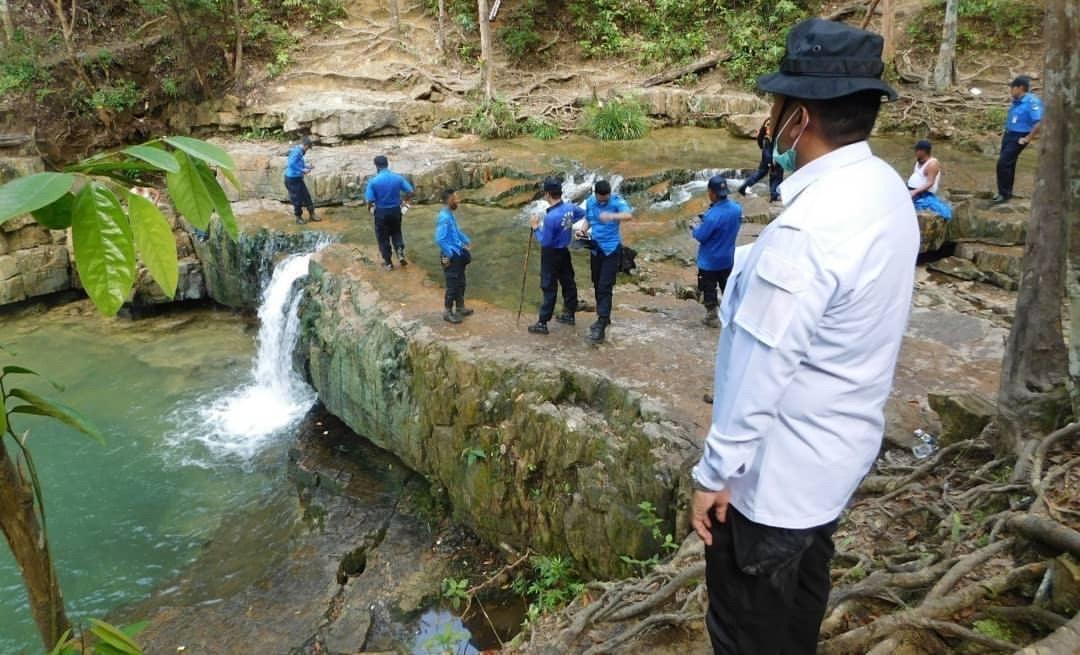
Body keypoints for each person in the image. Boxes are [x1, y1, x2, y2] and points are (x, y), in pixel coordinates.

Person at [689, 18, 918, 655]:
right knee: (799, 608)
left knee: (746, 631)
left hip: (772, 487)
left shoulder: (804, 234)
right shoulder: (883, 189)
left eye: (775, 105)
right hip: (833, 462)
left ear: (801, 119)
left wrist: (713, 478)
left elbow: (760, 374)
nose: (769, 121)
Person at [528, 177, 584, 335]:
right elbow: (582, 214)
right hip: (564, 252)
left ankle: (542, 323)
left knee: (549, 286)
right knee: (568, 282)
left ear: (547, 194)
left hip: (550, 254)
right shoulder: (569, 207)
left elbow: (544, 241)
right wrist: (566, 225)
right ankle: (569, 313)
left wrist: (535, 227)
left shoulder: (551, 217)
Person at [581, 179, 633, 344]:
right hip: (596, 249)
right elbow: (588, 219)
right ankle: (604, 315)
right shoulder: (590, 202)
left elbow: (628, 215)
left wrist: (612, 215)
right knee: (596, 283)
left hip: (611, 250)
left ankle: (601, 322)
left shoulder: (616, 201)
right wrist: (582, 231)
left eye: (606, 198)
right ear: (595, 194)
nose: (603, 201)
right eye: (601, 199)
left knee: (605, 285)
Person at [690, 176, 742, 328]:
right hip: (727, 258)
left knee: (709, 288)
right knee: (727, 286)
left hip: (709, 262)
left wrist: (694, 227)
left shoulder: (712, 216)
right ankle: (731, 312)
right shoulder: (737, 208)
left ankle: (712, 315)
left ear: (712, 193)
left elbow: (701, 236)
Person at [993, 75, 1042, 204]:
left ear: (1020, 88)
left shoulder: (1031, 102)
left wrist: (1027, 138)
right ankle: (1005, 192)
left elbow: (1038, 122)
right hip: (1009, 134)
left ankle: (1004, 194)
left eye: (1012, 88)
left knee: (1003, 163)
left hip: (1019, 136)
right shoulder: (1016, 101)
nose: (1011, 90)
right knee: (1009, 164)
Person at [365, 155, 414, 270]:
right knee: (396, 232)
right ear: (388, 164)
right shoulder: (397, 178)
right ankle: (400, 252)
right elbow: (411, 192)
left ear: (376, 166)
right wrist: (405, 203)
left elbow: (370, 200)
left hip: (381, 212)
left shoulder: (373, 182)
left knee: (383, 237)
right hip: (396, 210)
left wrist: (370, 209)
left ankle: (388, 263)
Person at [434, 189, 472, 324]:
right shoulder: (443, 217)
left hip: (457, 252)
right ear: (449, 200)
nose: (458, 201)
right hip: (450, 255)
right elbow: (439, 239)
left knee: (461, 282)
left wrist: (466, 240)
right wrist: (450, 254)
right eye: (455, 198)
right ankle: (447, 311)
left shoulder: (450, 215)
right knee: (452, 285)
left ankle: (460, 307)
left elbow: (456, 231)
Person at [737, 118, 783, 201]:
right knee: (776, 176)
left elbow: (762, 145)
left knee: (761, 173)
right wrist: (770, 162)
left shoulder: (766, 135)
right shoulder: (769, 136)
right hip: (773, 158)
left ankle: (743, 187)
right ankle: (774, 195)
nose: (769, 127)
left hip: (770, 156)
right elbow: (767, 150)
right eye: (768, 126)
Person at [908, 139, 952, 220]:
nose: (915, 152)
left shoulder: (932, 164)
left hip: (924, 193)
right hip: (912, 189)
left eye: (917, 150)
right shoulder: (919, 160)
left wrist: (914, 192)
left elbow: (930, 183)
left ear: (923, 151)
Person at [284, 136, 319, 225]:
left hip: (298, 178)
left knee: (306, 196)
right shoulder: (297, 152)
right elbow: (291, 164)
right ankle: (298, 218)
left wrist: (307, 166)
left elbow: (298, 163)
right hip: (292, 179)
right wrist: (302, 170)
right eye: (308, 148)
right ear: (305, 145)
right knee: (297, 199)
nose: (307, 150)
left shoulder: (298, 151)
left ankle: (312, 214)